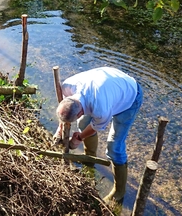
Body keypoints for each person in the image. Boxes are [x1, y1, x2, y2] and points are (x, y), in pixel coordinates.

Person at [55, 66, 143, 204]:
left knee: (114, 147)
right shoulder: (67, 86)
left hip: (130, 97)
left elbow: (96, 127)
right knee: (83, 124)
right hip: (111, 87)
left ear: (79, 113)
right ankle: (90, 159)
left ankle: (119, 192)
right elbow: (65, 112)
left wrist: (79, 138)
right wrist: (60, 128)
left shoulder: (100, 110)